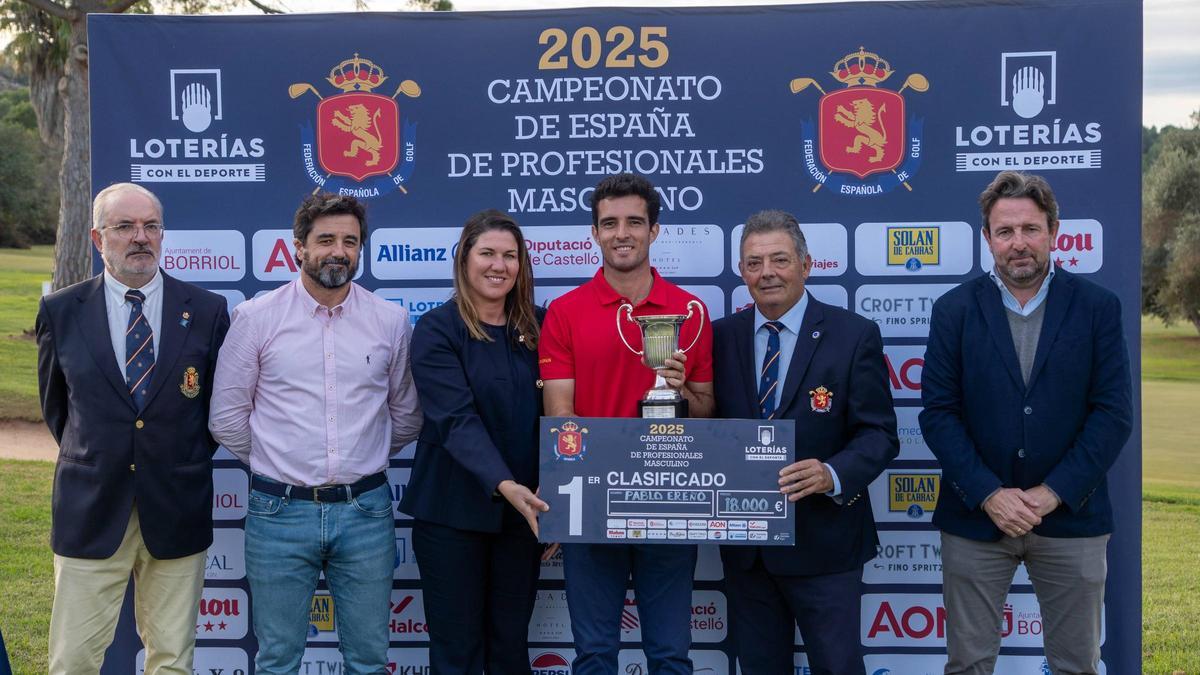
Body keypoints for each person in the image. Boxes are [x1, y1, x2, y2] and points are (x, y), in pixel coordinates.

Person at [920, 171, 1132, 674]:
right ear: (987, 238)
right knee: (968, 665)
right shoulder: (953, 310)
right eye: (1005, 231)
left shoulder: (1098, 308)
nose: (1019, 243)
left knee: (1077, 665)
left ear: (1054, 231)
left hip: (1072, 517)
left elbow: (1113, 413)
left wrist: (1052, 493)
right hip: (976, 518)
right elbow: (939, 414)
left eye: (1030, 229)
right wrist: (989, 494)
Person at [209, 193, 422, 674]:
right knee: (277, 660)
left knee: (368, 661)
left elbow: (406, 415)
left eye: (350, 241)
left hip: (365, 511)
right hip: (278, 512)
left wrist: (360, 454)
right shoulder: (256, 318)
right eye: (325, 240)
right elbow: (226, 417)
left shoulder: (389, 321)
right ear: (298, 248)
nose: (338, 252)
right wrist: (279, 459)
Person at [37, 183, 230, 674]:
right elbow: (58, 410)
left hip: (176, 504)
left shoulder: (206, 310)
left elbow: (215, 410)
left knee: (172, 659)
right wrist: (104, 454)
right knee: (73, 660)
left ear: (162, 234)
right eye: (124, 226)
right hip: (91, 507)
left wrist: (170, 455)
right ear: (98, 238)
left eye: (150, 226)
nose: (140, 237)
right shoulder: (61, 310)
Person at [539, 173, 715, 675]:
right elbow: (560, 416)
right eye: (610, 223)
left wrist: (681, 390)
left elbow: (706, 413)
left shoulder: (690, 311)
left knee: (670, 655)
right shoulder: (565, 313)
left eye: (635, 222)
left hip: (670, 498)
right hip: (593, 500)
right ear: (594, 233)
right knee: (595, 655)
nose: (622, 233)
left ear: (654, 231)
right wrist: (571, 492)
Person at [711, 210, 897, 674]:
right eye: (754, 263)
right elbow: (706, 427)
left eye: (780, 259)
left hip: (826, 544)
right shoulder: (718, 337)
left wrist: (831, 473)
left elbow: (879, 433)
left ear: (806, 265)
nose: (767, 273)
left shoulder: (854, 335)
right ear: (742, 271)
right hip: (749, 550)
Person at [400, 209, 550, 674]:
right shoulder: (437, 329)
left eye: (510, 255)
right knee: (457, 654)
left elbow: (563, 417)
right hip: (451, 515)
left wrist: (557, 496)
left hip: (524, 518)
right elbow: (455, 420)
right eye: (487, 253)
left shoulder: (543, 327)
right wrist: (507, 486)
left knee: (510, 650)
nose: (499, 265)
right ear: (464, 259)